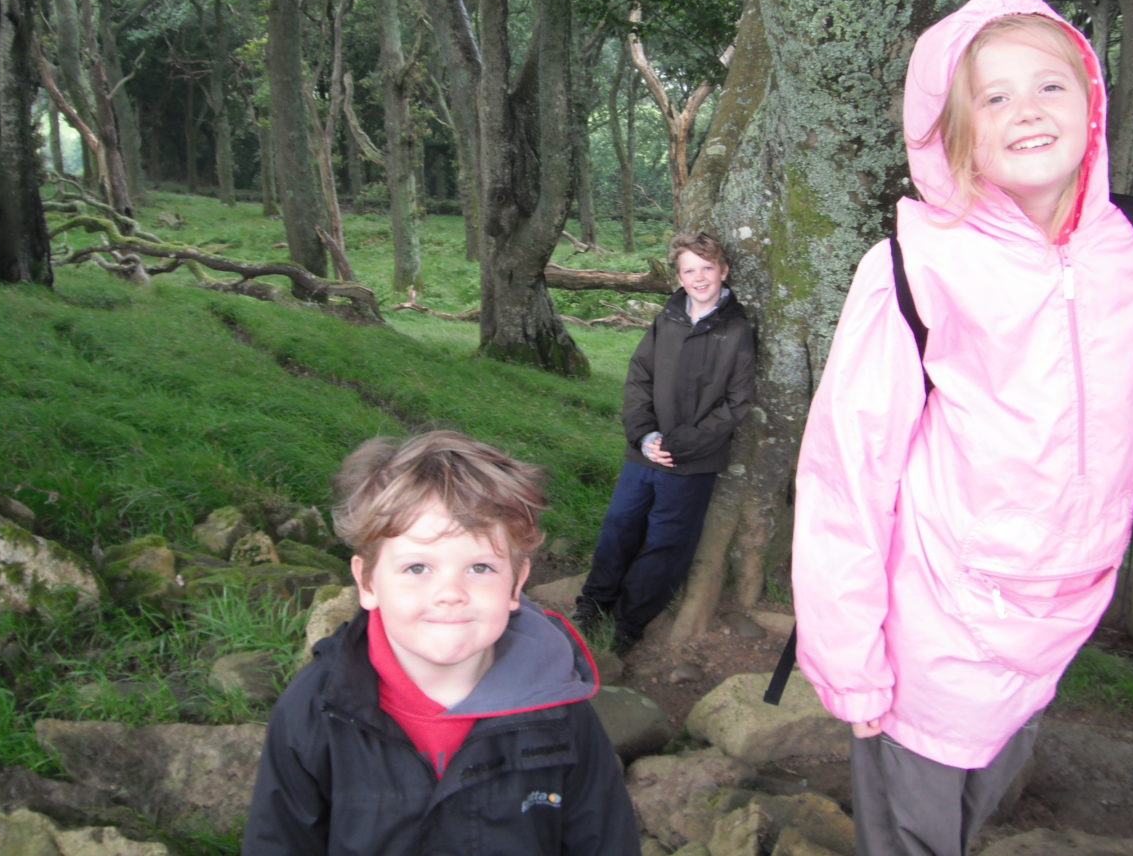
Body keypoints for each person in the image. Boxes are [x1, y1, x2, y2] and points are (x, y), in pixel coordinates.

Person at [791, 0, 1133, 856]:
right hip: (939, 618)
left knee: (979, 802)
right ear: (954, 131)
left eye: (1050, 86)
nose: (1026, 110)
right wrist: (847, 655)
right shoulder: (916, 263)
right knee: (913, 833)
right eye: (993, 95)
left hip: (1062, 610)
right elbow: (848, 469)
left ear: (1090, 103)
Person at [243, 430, 640, 855]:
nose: (450, 592)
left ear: (515, 586)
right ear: (367, 582)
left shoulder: (561, 714)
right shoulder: (313, 711)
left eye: (480, 568)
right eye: (417, 568)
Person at [573, 232, 756, 654]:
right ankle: (593, 605)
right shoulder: (665, 321)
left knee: (665, 544)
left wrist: (680, 444)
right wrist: (644, 434)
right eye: (689, 270)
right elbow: (639, 377)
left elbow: (737, 403)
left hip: (691, 463)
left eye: (707, 268)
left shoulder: (737, 330)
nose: (699, 277)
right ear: (678, 277)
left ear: (723, 271)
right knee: (619, 528)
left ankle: (627, 624)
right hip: (643, 453)